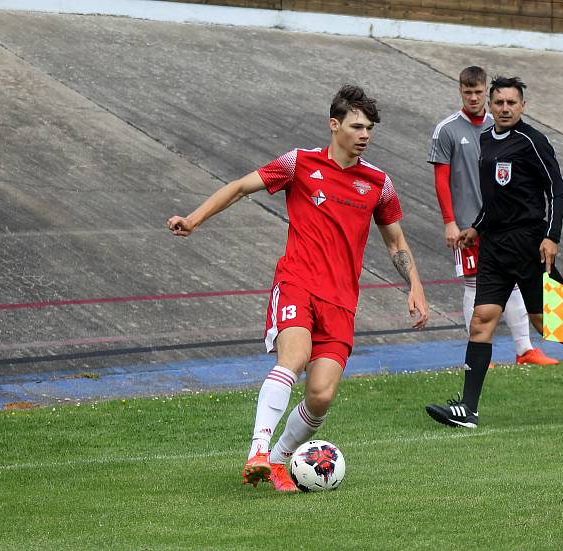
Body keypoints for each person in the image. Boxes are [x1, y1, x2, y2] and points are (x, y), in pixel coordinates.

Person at [168, 85, 430, 490]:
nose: (365, 135)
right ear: (334, 125)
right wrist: (194, 219)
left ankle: (277, 460)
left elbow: (395, 241)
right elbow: (240, 186)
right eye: (357, 126)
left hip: (342, 301)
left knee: (321, 395)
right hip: (297, 284)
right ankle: (258, 448)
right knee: (293, 359)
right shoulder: (299, 164)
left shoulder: (379, 183)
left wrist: (414, 286)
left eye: (370, 128)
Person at [425, 76, 563, 428]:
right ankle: (468, 410)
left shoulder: (533, 142)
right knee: (481, 321)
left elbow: (558, 192)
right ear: (489, 105)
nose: (504, 108)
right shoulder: (486, 140)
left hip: (528, 247)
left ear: (522, 107)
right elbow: (494, 200)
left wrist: (552, 236)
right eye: (499, 102)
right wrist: (477, 227)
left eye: (511, 103)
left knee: (546, 321)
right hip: (494, 248)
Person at [428, 66, 558, 367]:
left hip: (503, 224)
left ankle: (525, 350)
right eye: (467, 92)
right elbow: (441, 179)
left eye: (477, 92)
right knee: (473, 284)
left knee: (511, 284)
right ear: (460, 91)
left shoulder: (498, 126)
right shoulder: (447, 129)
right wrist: (450, 221)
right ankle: (477, 354)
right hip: (467, 223)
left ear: (485, 93)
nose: (473, 98)